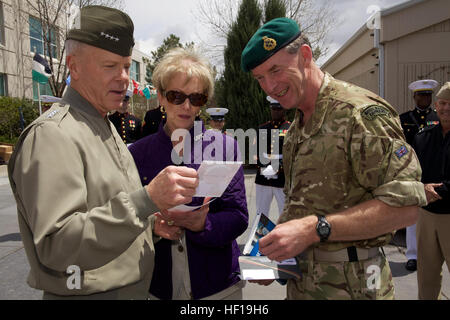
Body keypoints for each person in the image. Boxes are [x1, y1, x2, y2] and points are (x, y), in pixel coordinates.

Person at [7, 6, 198, 299]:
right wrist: (146, 201)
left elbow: (103, 208)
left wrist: (149, 224)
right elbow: (58, 245)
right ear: (74, 66)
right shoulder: (53, 135)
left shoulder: (102, 124)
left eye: (125, 66)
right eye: (110, 66)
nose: (123, 77)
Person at [241, 17, 427, 300]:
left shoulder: (359, 114)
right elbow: (303, 207)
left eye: (275, 70)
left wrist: (315, 228)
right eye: (260, 78)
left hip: (357, 287)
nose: (269, 86)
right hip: (303, 286)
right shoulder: (296, 128)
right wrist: (275, 251)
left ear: (305, 56)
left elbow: (406, 207)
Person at [129, 47, 248, 300]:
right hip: (158, 285)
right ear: (161, 97)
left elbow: (238, 216)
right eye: (176, 96)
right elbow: (126, 216)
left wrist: (204, 224)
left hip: (217, 286)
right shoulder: (138, 154)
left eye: (196, 98)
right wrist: (152, 227)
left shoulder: (226, 146)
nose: (186, 106)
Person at [412, 82, 450, 300]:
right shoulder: (423, 137)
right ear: (436, 105)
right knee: (427, 277)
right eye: (443, 103)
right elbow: (411, 172)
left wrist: (438, 190)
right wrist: (421, 187)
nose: (446, 108)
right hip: (426, 216)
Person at [400, 79, 439, 271]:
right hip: (412, 172)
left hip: (435, 171)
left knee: (436, 215)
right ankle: (413, 255)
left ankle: (432, 254)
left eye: (428, 95)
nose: (425, 98)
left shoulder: (438, 118)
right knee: (413, 215)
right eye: (421, 95)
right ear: (414, 97)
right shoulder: (404, 118)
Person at [254, 96, 290, 217]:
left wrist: (277, 168)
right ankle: (260, 236)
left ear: (284, 109)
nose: (275, 111)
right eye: (273, 109)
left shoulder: (290, 128)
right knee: (261, 214)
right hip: (263, 178)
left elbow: (291, 154)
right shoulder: (262, 128)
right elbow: (257, 151)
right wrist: (264, 168)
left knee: (284, 214)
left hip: (282, 179)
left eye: (278, 109)